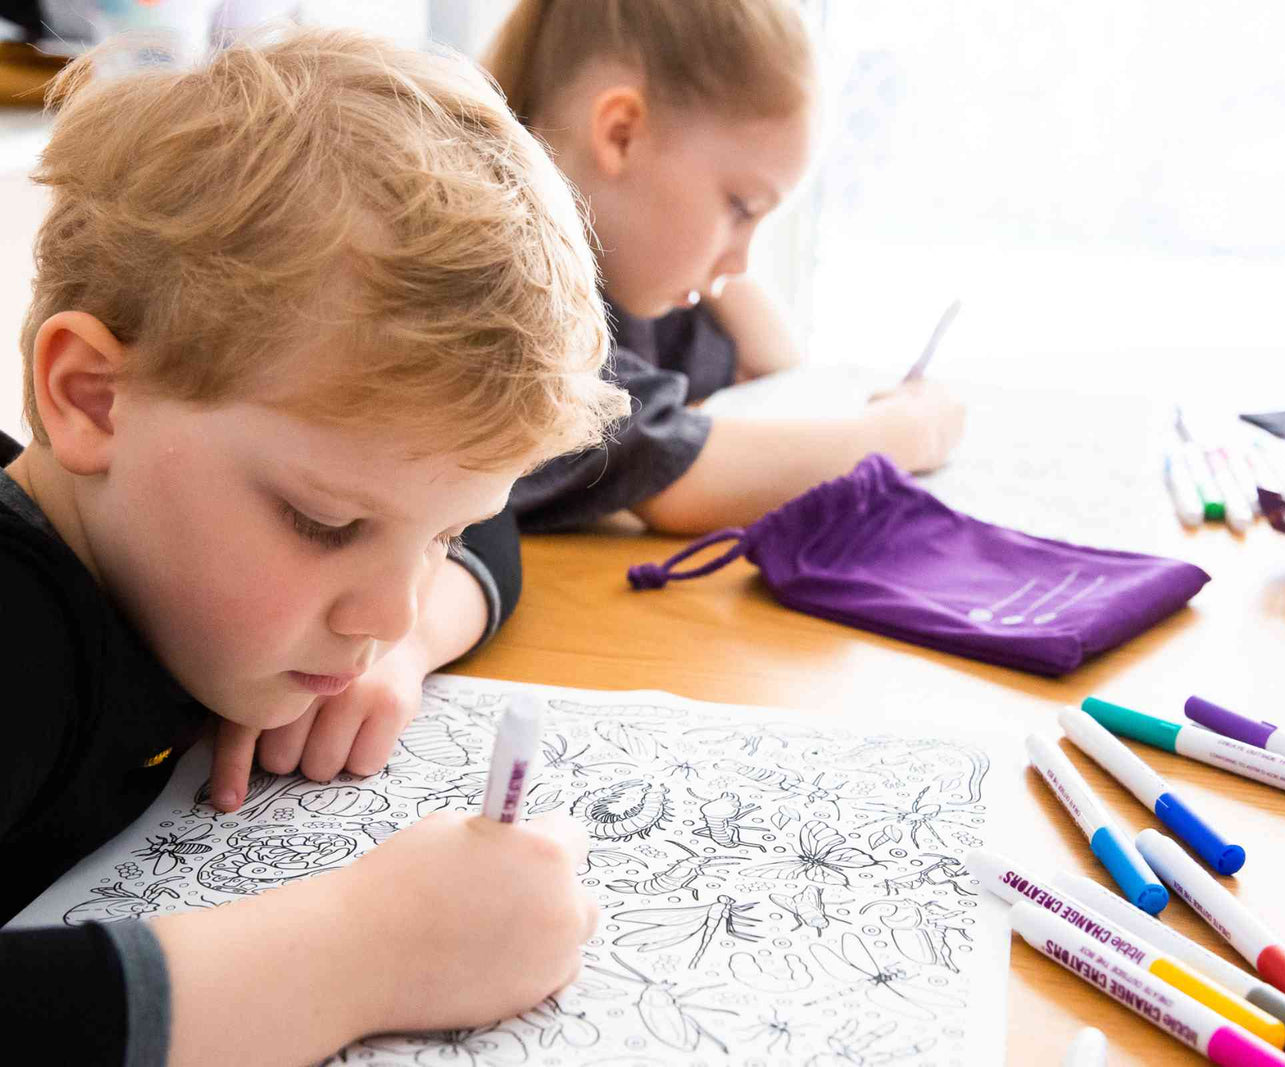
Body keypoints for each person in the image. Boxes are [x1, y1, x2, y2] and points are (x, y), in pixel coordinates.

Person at [0, 28, 628, 1067]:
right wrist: (365, 954)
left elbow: (497, 527)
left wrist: (408, 643)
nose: (384, 606)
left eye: (440, 533)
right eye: (327, 524)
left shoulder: (182, 565)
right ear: (94, 399)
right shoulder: (18, 635)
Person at [483, 0, 968, 534]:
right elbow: (679, 479)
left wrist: (710, 266)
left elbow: (773, 365)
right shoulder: (501, 289)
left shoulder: (624, 282)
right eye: (740, 207)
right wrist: (907, 433)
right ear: (621, 134)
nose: (742, 263)